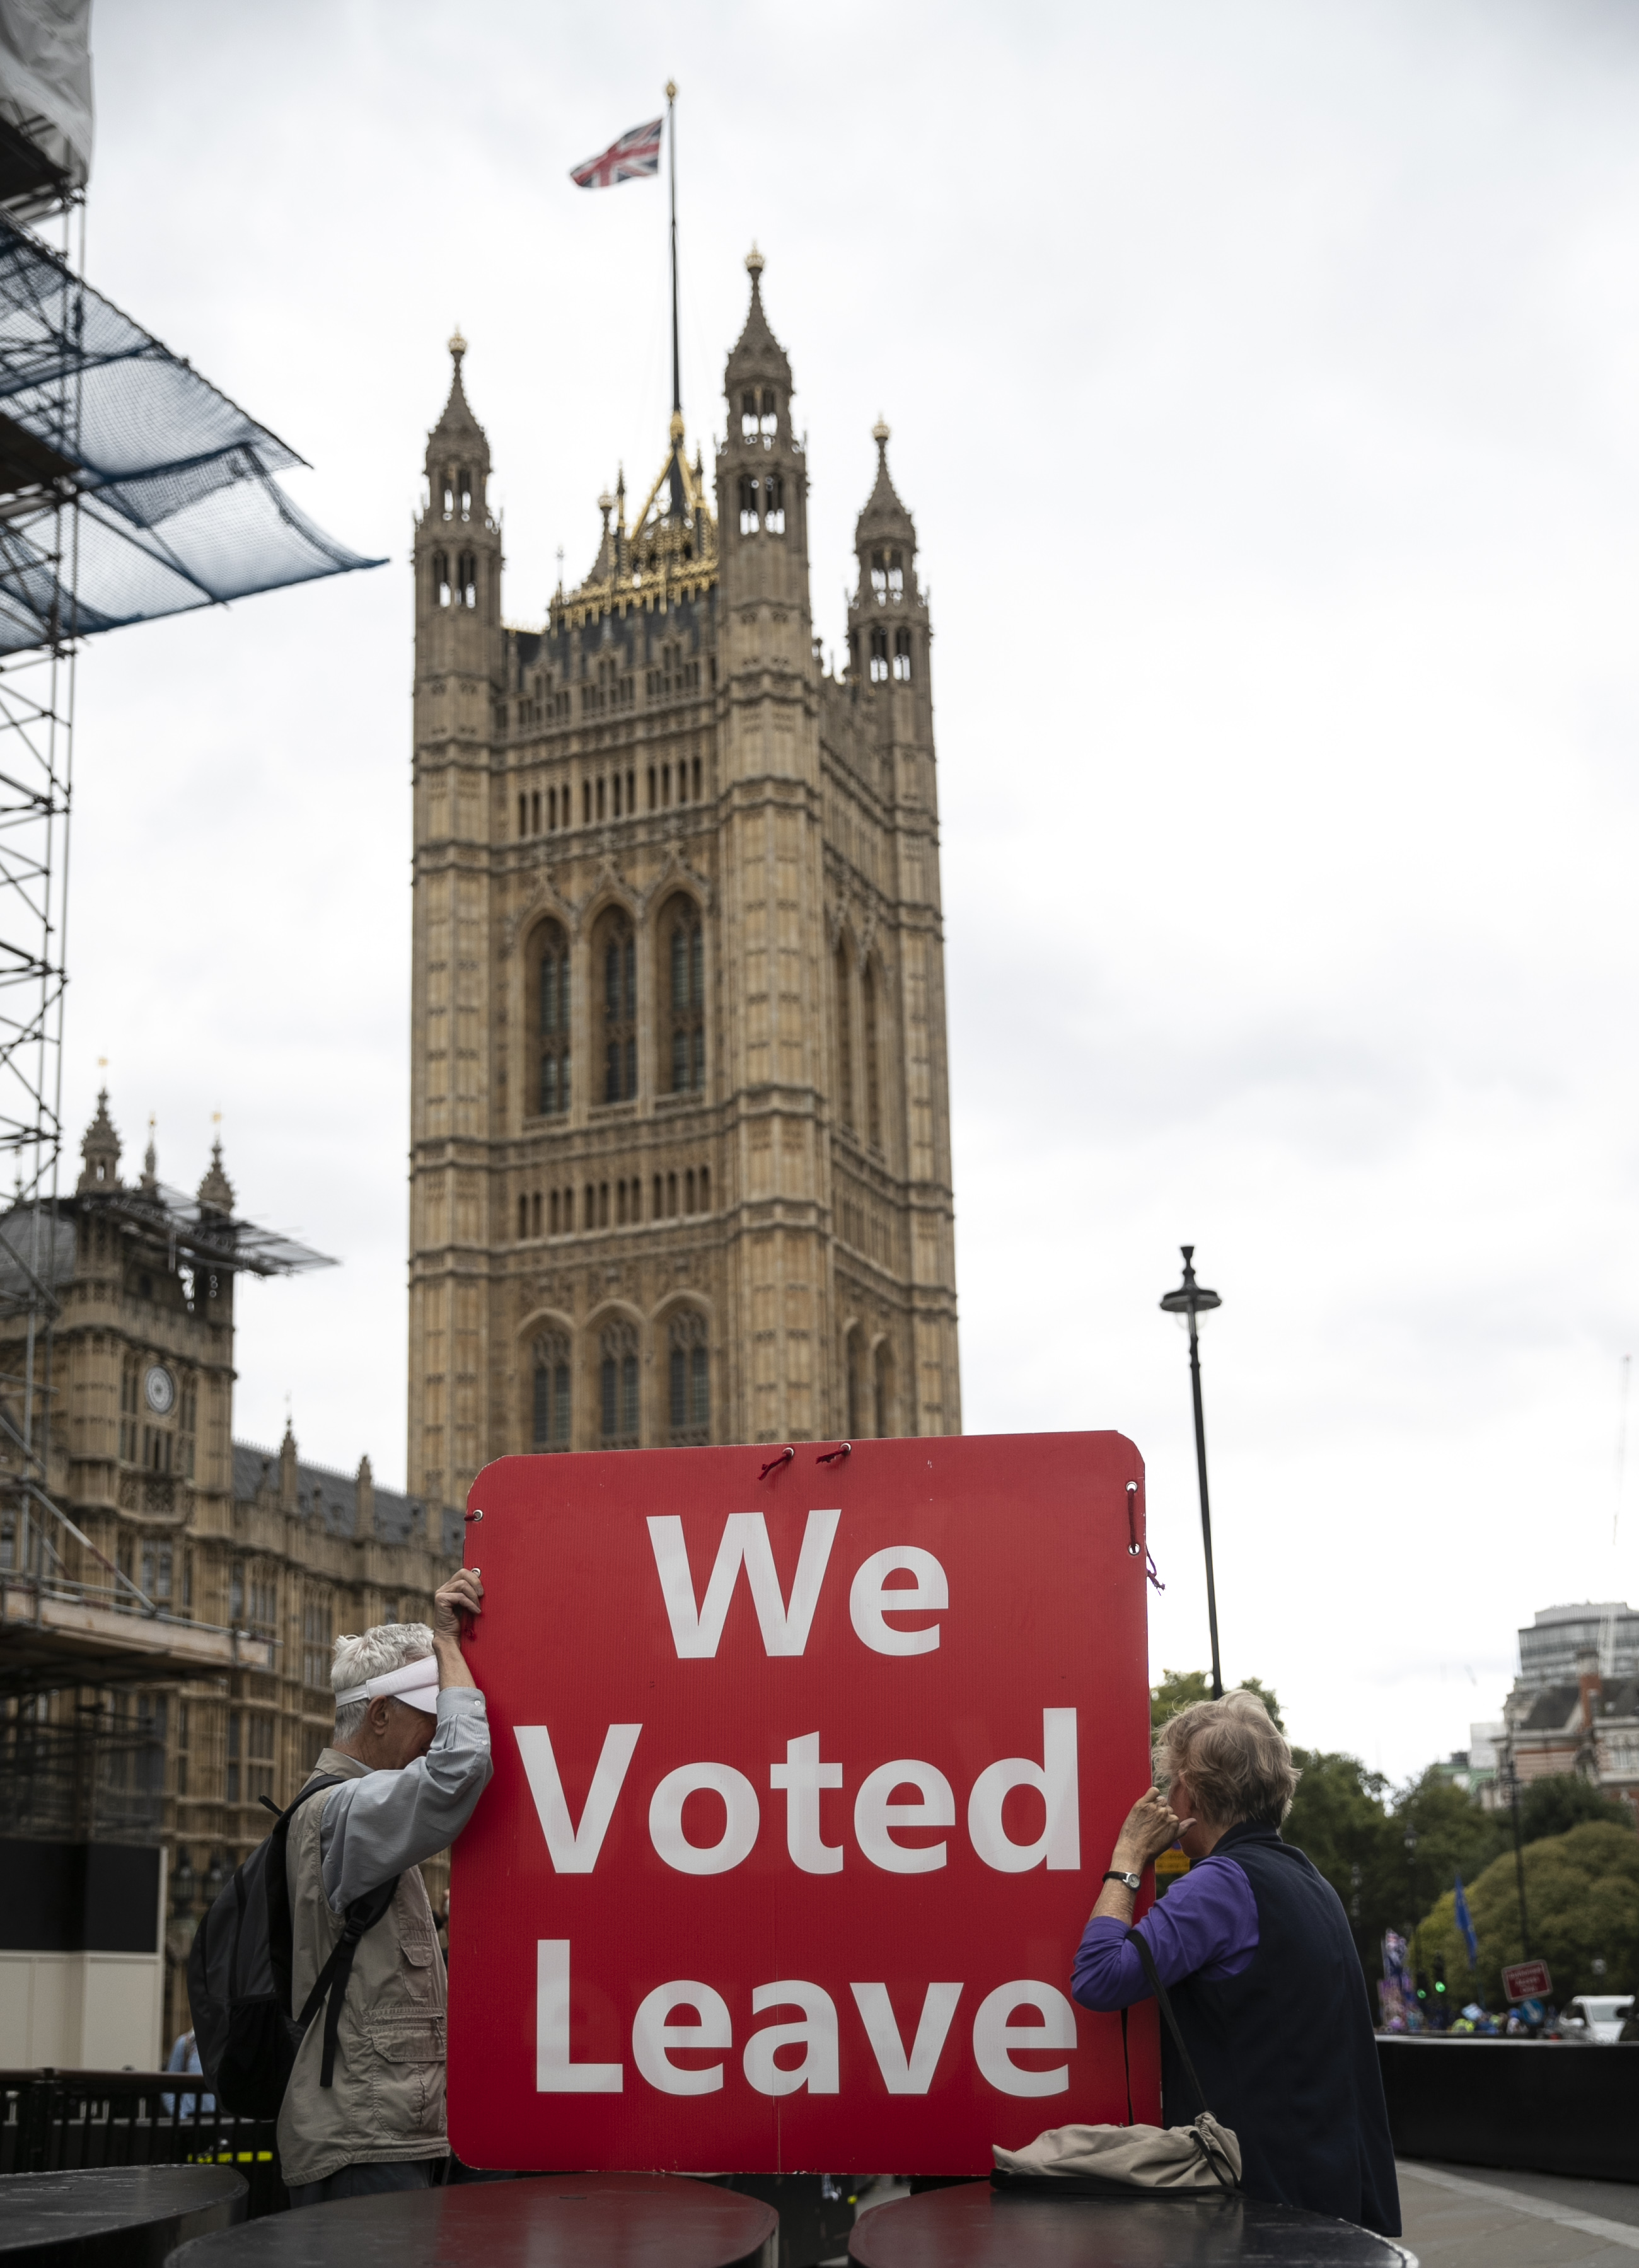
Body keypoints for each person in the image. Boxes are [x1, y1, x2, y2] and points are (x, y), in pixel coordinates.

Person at [1071, 1689, 1399, 2239]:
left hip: (1257, 2200)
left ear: (1190, 1791)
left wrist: (1127, 1858)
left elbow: (1098, 1977)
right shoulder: (1310, 1880)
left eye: (1169, 1781)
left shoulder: (1221, 1884)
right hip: (1325, 2186)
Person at [277, 1566, 490, 2207]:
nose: (438, 1732)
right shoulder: (342, 1811)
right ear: (379, 1714)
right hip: (362, 2138)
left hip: (378, 2130)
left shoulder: (355, 1815)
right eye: (431, 1715)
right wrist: (447, 1643)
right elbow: (459, 1768)